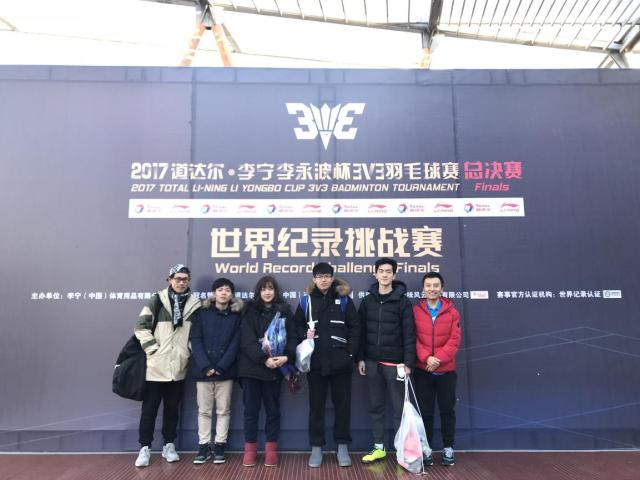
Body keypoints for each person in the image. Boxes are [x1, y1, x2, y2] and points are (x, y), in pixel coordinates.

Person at [133, 264, 201, 468]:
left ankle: (168, 445)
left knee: (172, 410)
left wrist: (187, 351)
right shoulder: (157, 300)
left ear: (189, 281)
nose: (181, 282)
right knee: (149, 411)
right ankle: (144, 448)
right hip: (156, 367)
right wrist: (153, 350)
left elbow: (196, 334)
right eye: (177, 278)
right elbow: (141, 326)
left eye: (185, 279)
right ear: (169, 279)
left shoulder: (194, 303)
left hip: (178, 367)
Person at [293, 262, 359, 468]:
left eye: (327, 276)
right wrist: (304, 334)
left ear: (332, 278)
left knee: (343, 407)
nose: (323, 279)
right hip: (316, 364)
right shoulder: (305, 302)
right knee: (316, 408)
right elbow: (296, 326)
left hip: (342, 364)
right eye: (319, 276)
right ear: (314, 279)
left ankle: (342, 447)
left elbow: (355, 328)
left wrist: (350, 355)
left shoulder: (345, 300)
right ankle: (316, 448)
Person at [357, 257, 416, 464]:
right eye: (381, 271)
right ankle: (379, 447)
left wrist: (408, 362)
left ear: (394, 274)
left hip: (396, 365)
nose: (384, 274)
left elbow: (409, 334)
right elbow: (361, 332)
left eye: (388, 271)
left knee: (400, 409)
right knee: (376, 406)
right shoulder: (367, 301)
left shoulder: (403, 301)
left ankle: (402, 450)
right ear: (375, 274)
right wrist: (361, 358)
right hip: (372, 363)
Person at [237, 275, 296, 467]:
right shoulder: (249, 311)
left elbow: (293, 337)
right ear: (258, 292)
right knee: (250, 412)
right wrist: (264, 359)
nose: (267, 292)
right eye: (263, 289)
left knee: (273, 411)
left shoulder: (285, 312)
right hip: (251, 369)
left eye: (270, 288)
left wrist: (287, 357)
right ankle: (250, 451)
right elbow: (247, 341)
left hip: (275, 370)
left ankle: (271, 451)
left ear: (276, 291)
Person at [189, 278, 242, 465]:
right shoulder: (201, 313)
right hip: (203, 371)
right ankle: (203, 446)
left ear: (231, 294)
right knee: (204, 411)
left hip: (225, 372)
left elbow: (236, 344)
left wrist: (220, 367)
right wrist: (206, 366)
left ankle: (220, 445)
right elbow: (195, 340)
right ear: (214, 293)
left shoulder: (236, 316)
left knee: (223, 411)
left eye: (227, 290)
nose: (224, 293)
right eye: (220, 289)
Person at [413, 272, 461, 467]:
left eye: (435, 285)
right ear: (423, 289)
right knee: (425, 413)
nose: (432, 289)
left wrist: (438, 359)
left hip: (446, 371)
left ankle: (448, 448)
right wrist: (427, 358)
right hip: (423, 370)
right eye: (428, 285)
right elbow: (413, 338)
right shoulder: (415, 311)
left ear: (441, 289)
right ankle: (426, 449)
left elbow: (454, 339)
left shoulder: (452, 312)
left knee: (447, 411)